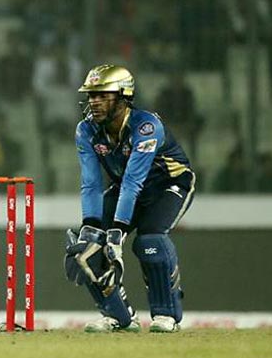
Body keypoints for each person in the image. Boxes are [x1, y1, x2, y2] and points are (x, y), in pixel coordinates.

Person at [64, 64, 196, 333]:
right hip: (125, 187)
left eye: (103, 95)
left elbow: (134, 181)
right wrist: (92, 227)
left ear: (123, 97)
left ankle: (166, 315)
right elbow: (91, 183)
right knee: (87, 245)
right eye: (91, 95)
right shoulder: (86, 129)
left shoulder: (146, 126)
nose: (94, 102)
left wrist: (118, 233)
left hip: (168, 185)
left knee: (150, 240)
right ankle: (119, 317)